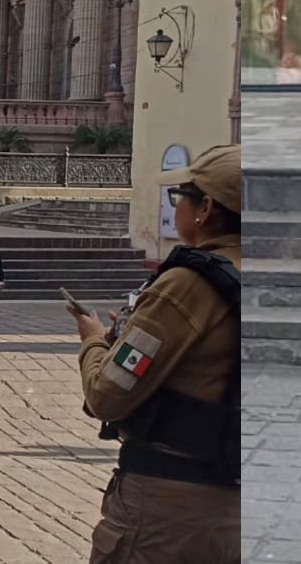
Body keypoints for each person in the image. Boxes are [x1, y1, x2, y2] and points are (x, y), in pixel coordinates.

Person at [67, 144, 241, 564]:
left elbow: (107, 394)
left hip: (167, 511)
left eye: (180, 196)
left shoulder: (188, 285)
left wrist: (94, 340)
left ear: (205, 209)